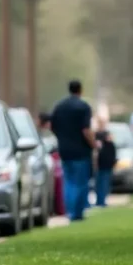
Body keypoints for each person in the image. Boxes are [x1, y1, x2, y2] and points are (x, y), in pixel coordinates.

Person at [50, 80, 95, 222]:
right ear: (80, 90)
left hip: (64, 150)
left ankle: (69, 211)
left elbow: (53, 126)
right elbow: (86, 130)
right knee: (81, 182)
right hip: (81, 150)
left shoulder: (59, 107)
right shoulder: (83, 107)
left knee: (68, 181)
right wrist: (93, 144)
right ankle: (77, 213)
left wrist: (62, 138)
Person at [94, 127, 116, 207]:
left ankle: (101, 201)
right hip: (102, 167)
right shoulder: (106, 146)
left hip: (105, 167)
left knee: (102, 185)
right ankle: (100, 201)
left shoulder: (108, 145)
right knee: (102, 185)